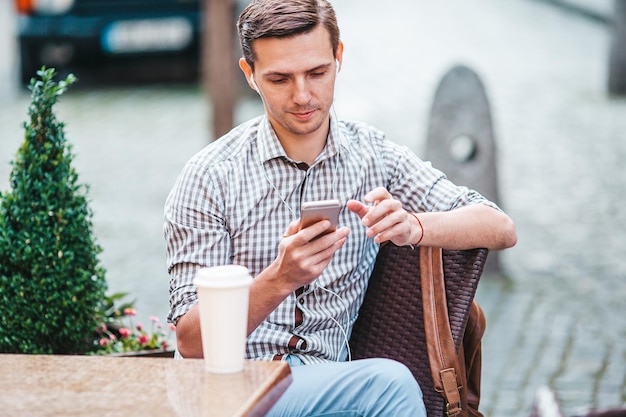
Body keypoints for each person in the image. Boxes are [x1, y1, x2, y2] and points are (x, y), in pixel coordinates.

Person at [164, 0, 518, 415]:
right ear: (250, 75)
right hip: (229, 390)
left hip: (328, 385)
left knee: (390, 384)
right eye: (279, 78)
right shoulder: (208, 177)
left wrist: (413, 226)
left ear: (339, 58)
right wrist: (279, 278)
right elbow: (191, 343)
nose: (302, 95)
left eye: (317, 73)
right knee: (389, 386)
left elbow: (500, 227)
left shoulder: (374, 156)